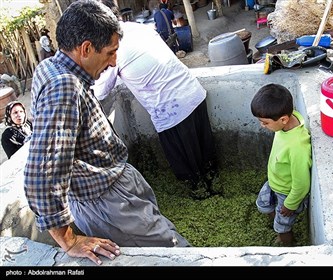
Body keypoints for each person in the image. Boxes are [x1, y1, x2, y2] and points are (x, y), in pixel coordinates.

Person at [24, 0, 190, 266]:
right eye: (110, 53)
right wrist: (69, 240)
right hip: (110, 204)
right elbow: (41, 175)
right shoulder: (64, 87)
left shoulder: (51, 67)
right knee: (176, 254)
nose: (114, 63)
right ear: (86, 48)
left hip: (110, 191)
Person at [93, 0, 218, 199]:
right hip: (193, 92)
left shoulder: (111, 47)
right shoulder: (138, 28)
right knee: (206, 156)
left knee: (188, 167)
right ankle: (216, 189)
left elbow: (99, 91)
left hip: (172, 111)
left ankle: (202, 196)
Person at [250, 84, 312, 246]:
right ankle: (275, 222)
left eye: (265, 123)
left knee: (283, 224)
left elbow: (302, 183)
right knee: (263, 204)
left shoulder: (297, 146)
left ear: (283, 119)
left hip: (286, 192)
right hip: (273, 182)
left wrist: (290, 204)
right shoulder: (287, 122)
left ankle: (286, 241)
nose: (261, 126)